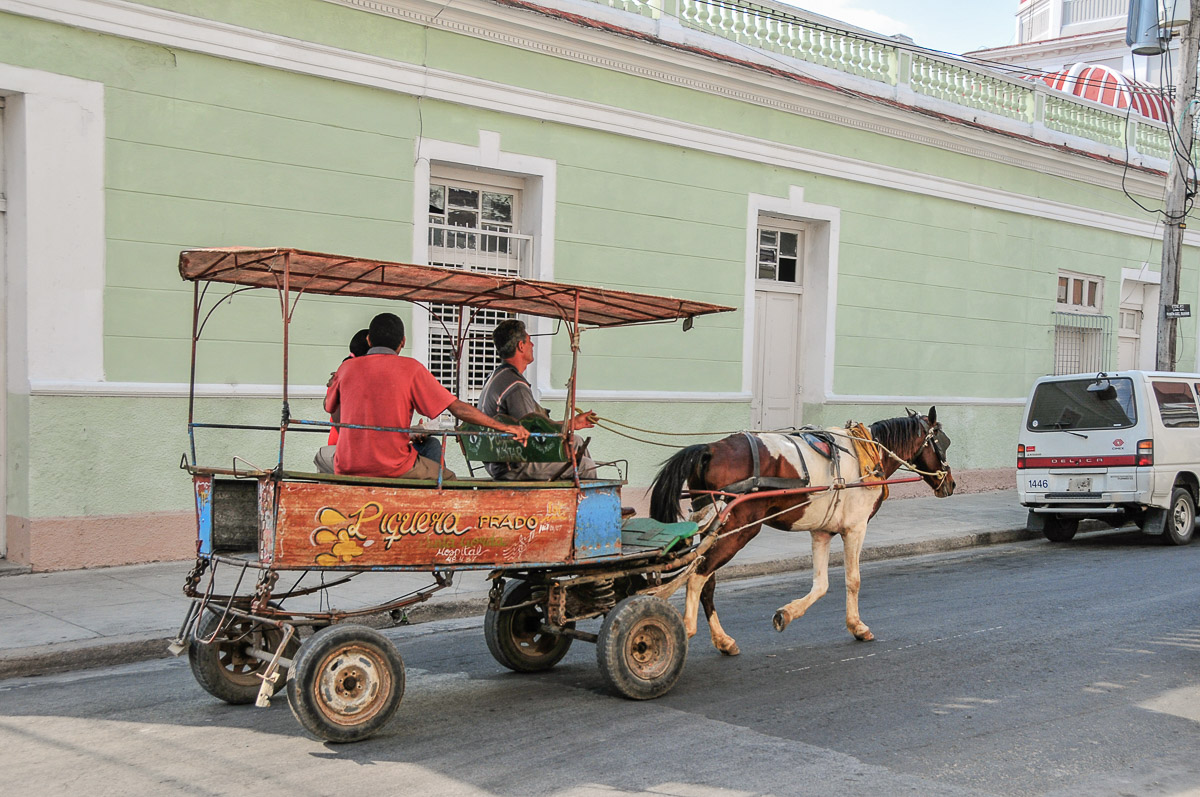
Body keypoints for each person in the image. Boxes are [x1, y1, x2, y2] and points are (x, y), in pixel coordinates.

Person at [316, 312, 528, 480]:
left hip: (347, 465)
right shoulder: (411, 369)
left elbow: (336, 417)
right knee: (449, 479)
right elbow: (457, 408)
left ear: (369, 340)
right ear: (402, 342)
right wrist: (505, 427)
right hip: (394, 467)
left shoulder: (346, 369)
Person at [477, 319, 599, 480]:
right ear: (521, 346)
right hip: (513, 465)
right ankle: (584, 503)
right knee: (585, 466)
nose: (532, 345)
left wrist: (571, 426)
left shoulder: (497, 376)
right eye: (529, 341)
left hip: (501, 458)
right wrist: (568, 429)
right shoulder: (515, 386)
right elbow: (535, 434)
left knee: (576, 441)